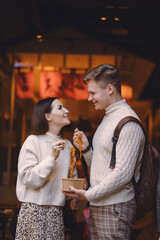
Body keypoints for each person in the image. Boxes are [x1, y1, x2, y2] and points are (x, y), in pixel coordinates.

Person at [63, 64, 145, 239]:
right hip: (100, 204)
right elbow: (105, 167)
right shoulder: (108, 119)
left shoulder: (127, 122)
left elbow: (123, 173)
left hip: (115, 206)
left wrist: (88, 195)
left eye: (92, 92)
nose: (89, 98)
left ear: (109, 89)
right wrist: (86, 149)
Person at [15, 97, 77, 240]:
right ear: (47, 116)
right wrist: (52, 157)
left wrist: (74, 193)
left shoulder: (67, 145)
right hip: (33, 211)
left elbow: (69, 180)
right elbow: (28, 178)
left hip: (56, 212)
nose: (66, 111)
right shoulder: (33, 141)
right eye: (60, 108)